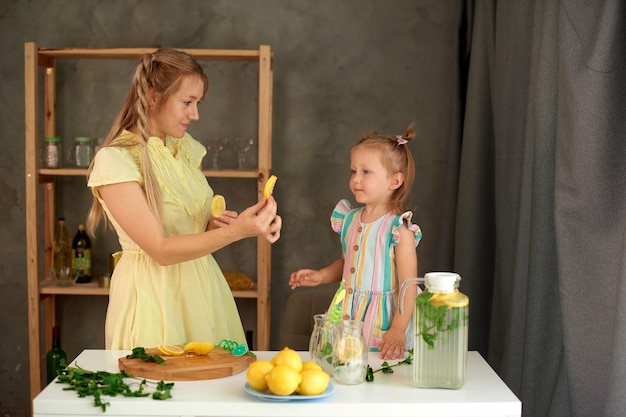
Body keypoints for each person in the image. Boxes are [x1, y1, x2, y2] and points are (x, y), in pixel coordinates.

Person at [86, 48, 282, 350]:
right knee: (159, 389)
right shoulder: (116, 160)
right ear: (153, 96)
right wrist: (235, 232)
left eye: (198, 103)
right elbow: (161, 250)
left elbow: (192, 233)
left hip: (202, 291)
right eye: (187, 103)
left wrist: (248, 223)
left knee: (208, 390)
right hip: (154, 299)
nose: (195, 115)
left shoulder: (185, 149)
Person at [289, 126, 422, 360]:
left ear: (394, 181)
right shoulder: (349, 220)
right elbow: (346, 263)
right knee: (343, 367)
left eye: (366, 172)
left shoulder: (399, 229)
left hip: (382, 318)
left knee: (376, 371)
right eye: (353, 171)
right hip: (347, 312)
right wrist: (320, 276)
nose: (356, 179)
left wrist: (398, 328)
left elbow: (408, 285)